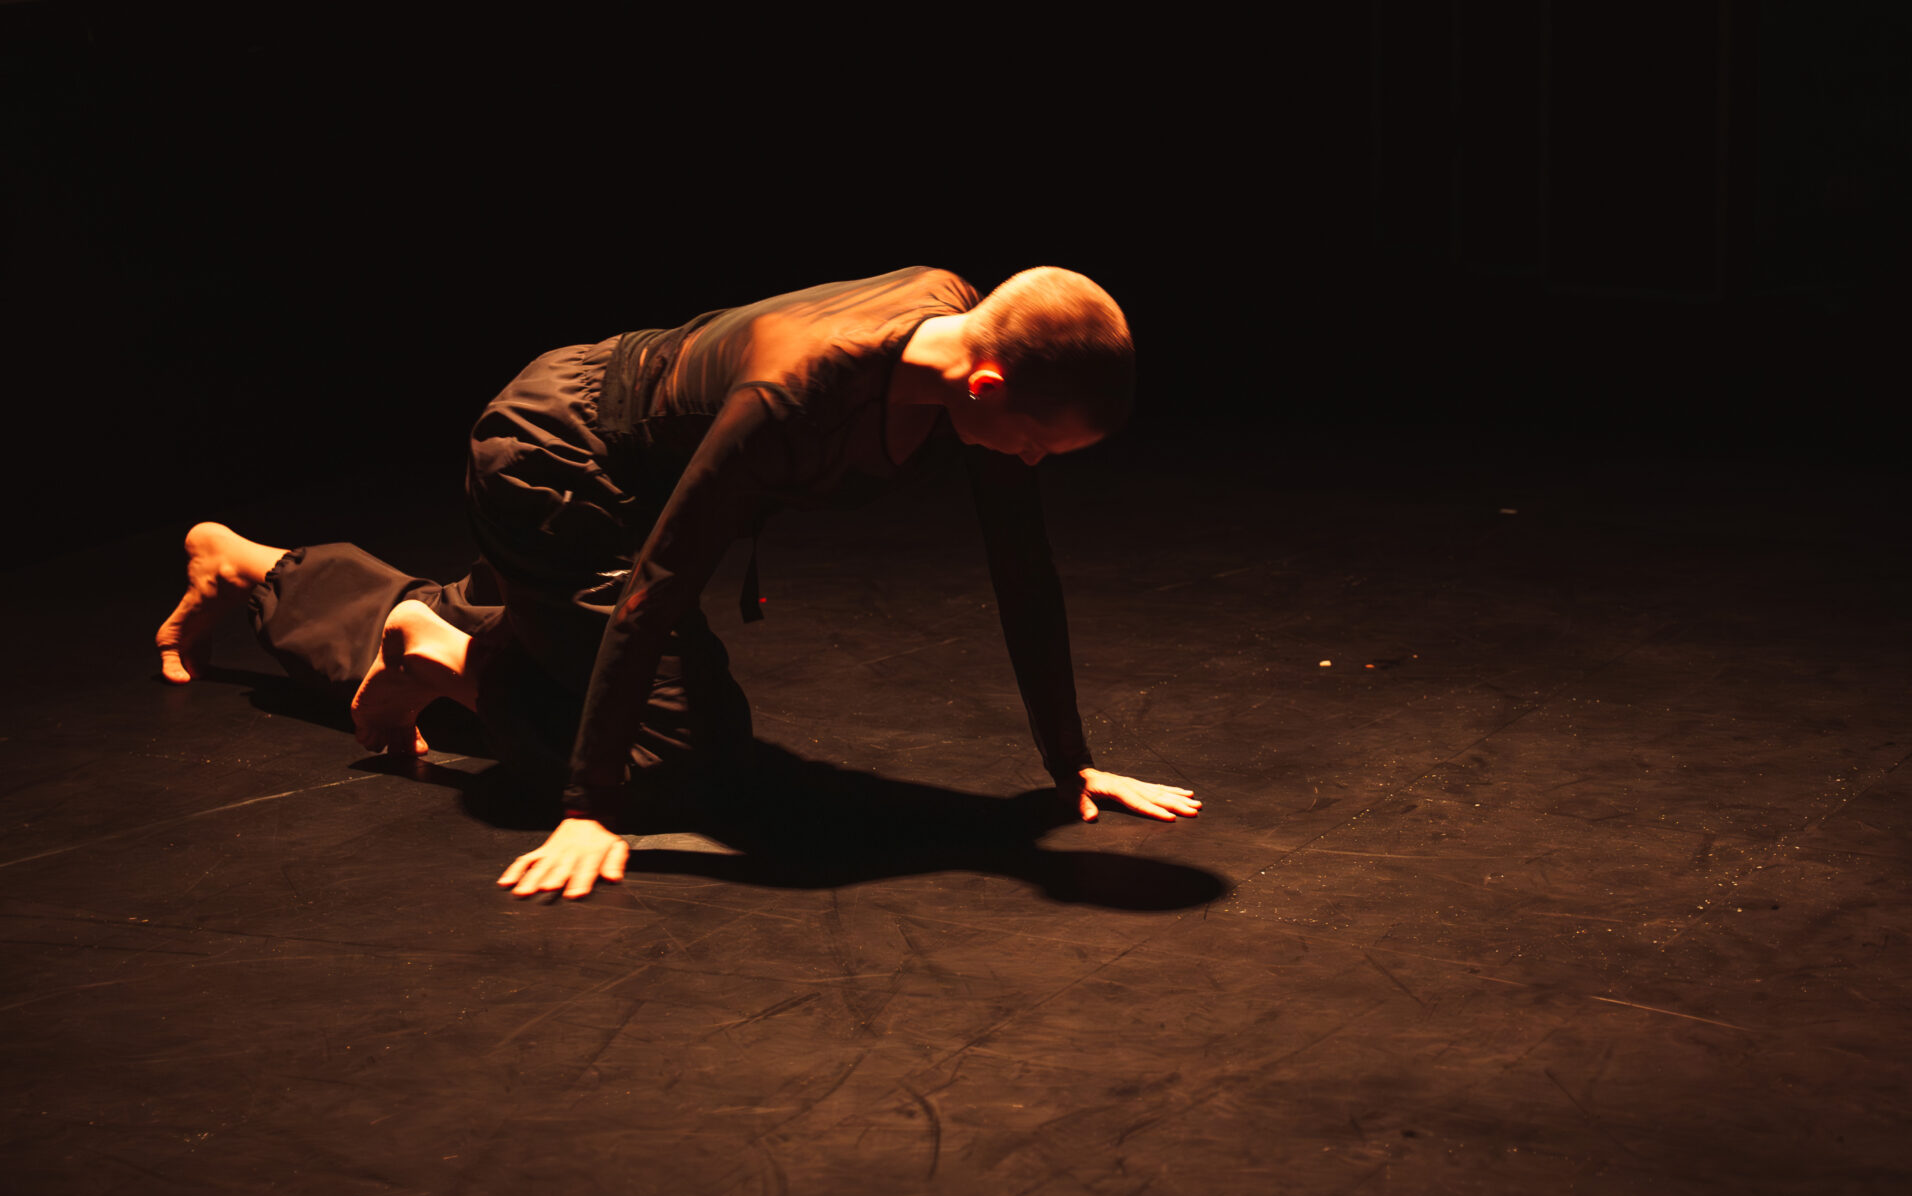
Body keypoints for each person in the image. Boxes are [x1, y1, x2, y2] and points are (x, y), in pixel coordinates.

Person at [152, 264, 1201, 899]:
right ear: (989, 384)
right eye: (1037, 445)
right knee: (684, 751)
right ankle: (443, 655)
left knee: (577, 645)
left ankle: (253, 565)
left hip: (636, 476)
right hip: (553, 463)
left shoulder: (964, 335)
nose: (1030, 465)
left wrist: (1071, 764)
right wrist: (590, 804)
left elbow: (1024, 571)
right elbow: (656, 584)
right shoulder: (797, 394)